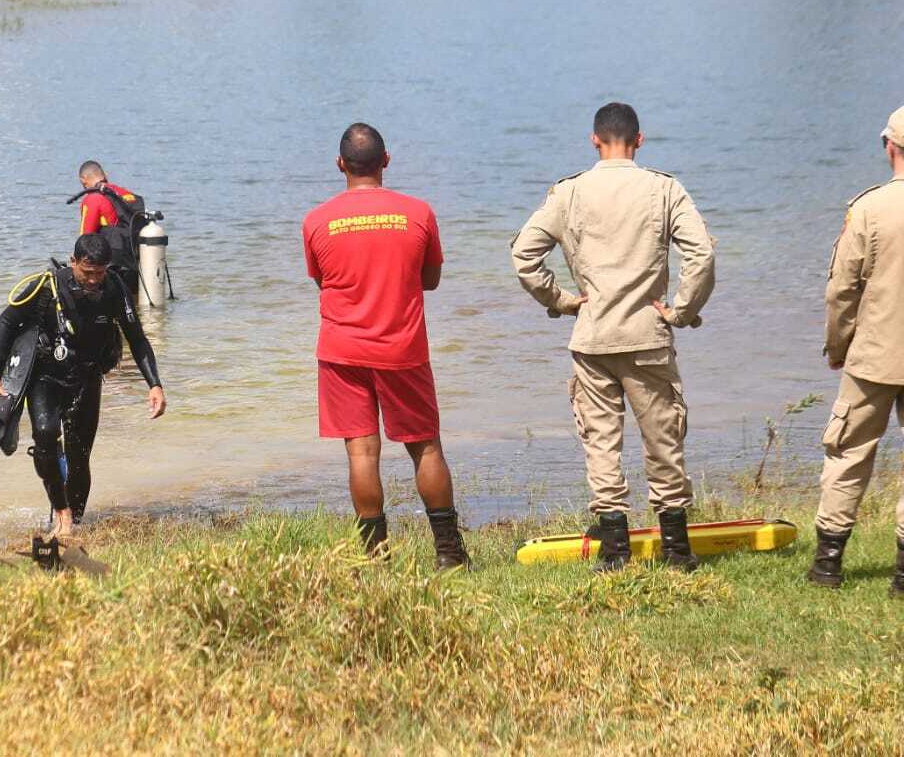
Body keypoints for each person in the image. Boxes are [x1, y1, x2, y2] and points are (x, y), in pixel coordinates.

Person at [510, 102, 716, 572]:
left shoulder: (570, 193)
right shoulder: (664, 189)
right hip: (648, 336)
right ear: (639, 141)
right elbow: (701, 255)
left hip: (593, 339)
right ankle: (678, 551)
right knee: (664, 441)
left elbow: (524, 254)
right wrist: (681, 310)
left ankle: (615, 551)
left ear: (594, 140)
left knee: (602, 444)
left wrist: (561, 300)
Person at [303, 123, 469, 569]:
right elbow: (430, 280)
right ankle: (450, 554)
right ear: (386, 161)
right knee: (427, 448)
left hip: (341, 352)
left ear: (341, 165)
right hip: (403, 348)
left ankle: (375, 559)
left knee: (361, 452)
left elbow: (322, 280)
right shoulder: (417, 213)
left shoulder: (317, 220)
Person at [0, 233, 166, 538]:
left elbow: (137, 338)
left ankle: (74, 522)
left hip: (87, 378)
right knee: (45, 436)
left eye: (100, 272)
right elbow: (5, 323)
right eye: (87, 272)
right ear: (73, 261)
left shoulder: (114, 288)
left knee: (79, 458)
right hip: (45, 376)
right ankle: (62, 512)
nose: (94, 280)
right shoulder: (46, 287)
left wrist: (155, 384)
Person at [808, 106, 904, 595]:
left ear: (889, 147)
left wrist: (837, 345)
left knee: (847, 452)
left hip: (874, 354)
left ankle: (828, 564)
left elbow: (841, 289)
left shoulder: (868, 208)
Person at [75, 160, 148, 296]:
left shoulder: (93, 198)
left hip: (112, 270)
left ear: (83, 180)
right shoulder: (126, 194)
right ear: (104, 176)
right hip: (137, 266)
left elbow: (84, 241)